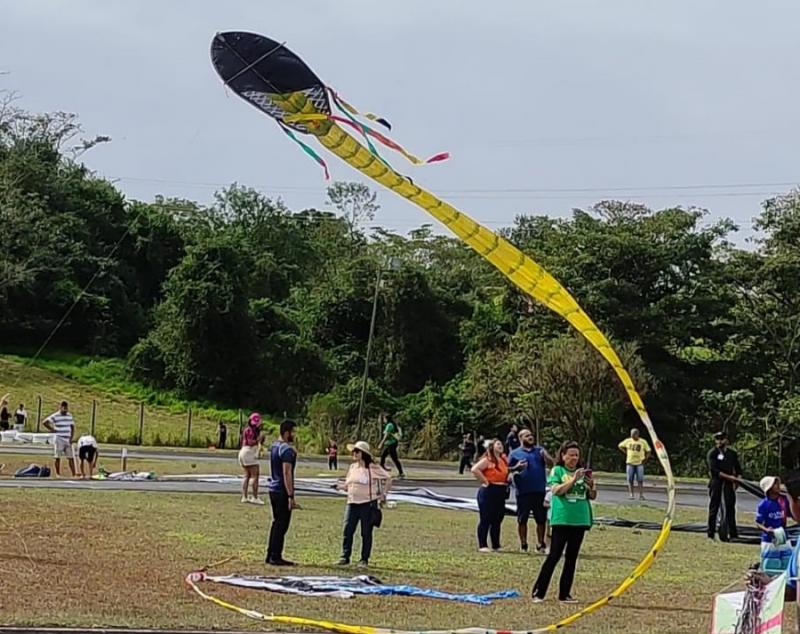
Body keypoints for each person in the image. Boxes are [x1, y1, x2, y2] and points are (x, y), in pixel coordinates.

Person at [532, 441, 597, 604]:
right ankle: (539, 592)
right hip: (562, 519)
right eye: (571, 455)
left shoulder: (582, 473)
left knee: (572, 557)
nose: (574, 458)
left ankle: (565, 594)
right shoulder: (558, 470)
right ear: (563, 455)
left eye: (577, 455)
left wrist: (591, 486)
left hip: (579, 519)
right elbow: (556, 491)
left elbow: (592, 496)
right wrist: (573, 480)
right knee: (554, 555)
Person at [336, 440, 392, 567]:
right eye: (353, 451)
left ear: (364, 453)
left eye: (357, 451)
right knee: (347, 530)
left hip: (367, 504)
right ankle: (345, 556)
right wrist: (339, 486)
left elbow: (388, 478)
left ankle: (364, 559)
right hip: (352, 502)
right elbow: (347, 485)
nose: (354, 454)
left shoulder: (373, 468)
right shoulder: (352, 467)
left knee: (366, 532)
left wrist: (383, 493)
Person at [509, 428, 554, 554]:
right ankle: (523, 544)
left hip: (539, 491)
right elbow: (507, 469)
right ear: (520, 438)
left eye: (531, 435)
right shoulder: (514, 454)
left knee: (541, 519)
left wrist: (546, 456)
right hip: (523, 491)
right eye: (527, 436)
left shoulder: (539, 451)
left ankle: (541, 543)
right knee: (522, 519)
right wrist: (516, 468)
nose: (530, 437)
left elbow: (553, 464)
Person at [471, 438, 518, 552]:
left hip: (500, 491)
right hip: (489, 491)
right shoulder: (487, 460)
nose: (500, 446)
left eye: (501, 444)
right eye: (497, 444)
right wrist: (485, 481)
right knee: (486, 518)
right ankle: (483, 545)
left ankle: (496, 544)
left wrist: (513, 472)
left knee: (497, 519)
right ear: (492, 447)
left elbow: (506, 472)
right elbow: (475, 469)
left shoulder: (502, 460)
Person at [266, 419, 298, 566]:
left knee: (276, 523)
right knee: (282, 524)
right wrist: (290, 495)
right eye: (293, 432)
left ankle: (271, 553)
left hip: (273, 488)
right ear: (286, 433)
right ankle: (275, 555)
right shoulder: (286, 450)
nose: (294, 435)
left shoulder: (274, 446)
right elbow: (287, 472)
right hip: (281, 490)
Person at [756, 476, 800, 575]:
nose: (778, 486)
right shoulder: (763, 505)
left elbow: (793, 515)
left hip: (783, 537)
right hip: (769, 541)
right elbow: (758, 523)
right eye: (775, 484)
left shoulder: (784, 501)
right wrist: (767, 530)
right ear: (769, 487)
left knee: (787, 565)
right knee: (770, 567)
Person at [707, 431, 743, 541]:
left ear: (726, 440)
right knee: (714, 507)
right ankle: (711, 533)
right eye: (717, 439)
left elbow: (738, 469)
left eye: (721, 439)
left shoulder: (732, 453)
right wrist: (730, 477)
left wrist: (737, 480)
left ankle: (733, 533)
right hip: (717, 482)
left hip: (729, 484)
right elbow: (714, 470)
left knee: (730, 507)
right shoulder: (712, 453)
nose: (719, 441)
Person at [42, 401, 76, 477]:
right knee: (57, 457)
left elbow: (72, 427)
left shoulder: (69, 416)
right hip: (59, 438)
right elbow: (44, 422)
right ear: (60, 407)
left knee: (71, 457)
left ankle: (74, 474)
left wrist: (71, 437)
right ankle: (58, 474)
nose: (65, 410)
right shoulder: (55, 415)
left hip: (67, 438)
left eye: (66, 408)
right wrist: (51, 429)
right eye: (63, 408)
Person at [238, 413, 265, 505]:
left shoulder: (247, 429)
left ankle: (244, 496)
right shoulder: (251, 430)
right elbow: (250, 442)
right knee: (255, 475)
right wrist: (259, 440)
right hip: (249, 452)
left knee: (246, 475)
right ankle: (255, 497)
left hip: (243, 452)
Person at [618, 428, 652, 500]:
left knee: (640, 479)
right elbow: (620, 446)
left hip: (639, 463)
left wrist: (645, 458)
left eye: (633, 435)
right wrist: (626, 452)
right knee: (630, 479)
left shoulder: (643, 442)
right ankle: (631, 494)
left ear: (637, 434)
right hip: (630, 462)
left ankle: (641, 495)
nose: (632, 436)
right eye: (631, 435)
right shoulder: (628, 441)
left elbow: (648, 450)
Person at [378, 413, 405, 478]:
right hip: (390, 443)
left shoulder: (389, 425)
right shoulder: (392, 424)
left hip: (391, 444)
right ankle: (381, 468)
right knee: (383, 456)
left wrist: (381, 443)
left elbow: (386, 435)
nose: (383, 420)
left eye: (384, 419)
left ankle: (401, 473)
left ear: (386, 419)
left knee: (394, 458)